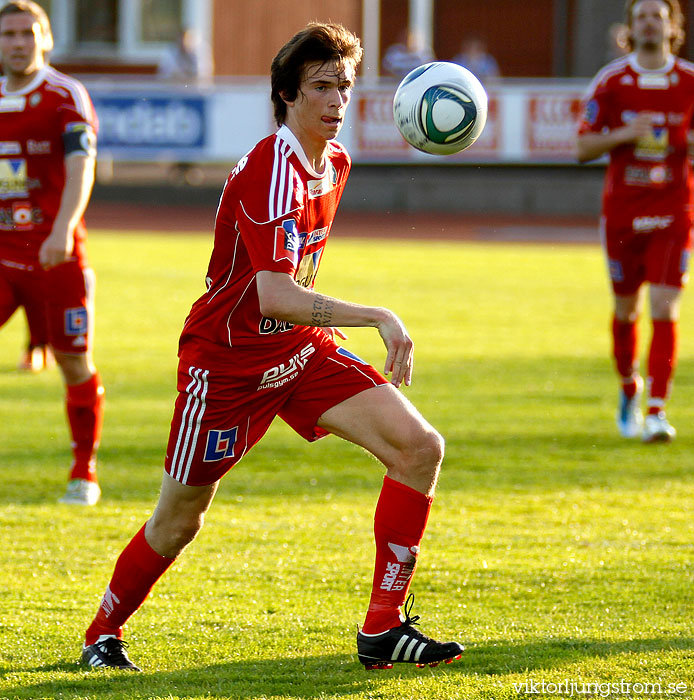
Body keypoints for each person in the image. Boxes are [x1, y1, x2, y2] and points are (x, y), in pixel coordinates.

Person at [80, 22, 463, 672]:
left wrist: (324, 324)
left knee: (420, 447)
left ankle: (382, 626)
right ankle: (101, 636)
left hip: (298, 353)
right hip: (225, 365)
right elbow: (272, 295)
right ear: (287, 95)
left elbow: (294, 283)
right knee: (180, 520)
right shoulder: (269, 169)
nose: (336, 100)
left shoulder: (334, 162)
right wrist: (374, 314)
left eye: (343, 86)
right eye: (321, 86)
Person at [0, 1, 104, 502]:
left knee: (72, 361)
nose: (18, 43)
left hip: (54, 254)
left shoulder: (65, 94)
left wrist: (62, 228)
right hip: (2, 254)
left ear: (45, 39)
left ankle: (83, 470)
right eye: (8, 35)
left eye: (27, 33)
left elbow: (82, 165)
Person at [576, 0, 693, 442]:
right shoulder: (611, 82)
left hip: (674, 210)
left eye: (657, 16)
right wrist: (627, 133)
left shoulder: (688, 81)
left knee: (665, 308)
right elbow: (582, 148)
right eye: (641, 16)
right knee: (627, 311)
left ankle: (658, 412)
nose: (648, 23)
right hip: (623, 213)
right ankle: (630, 387)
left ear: (671, 27)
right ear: (631, 27)